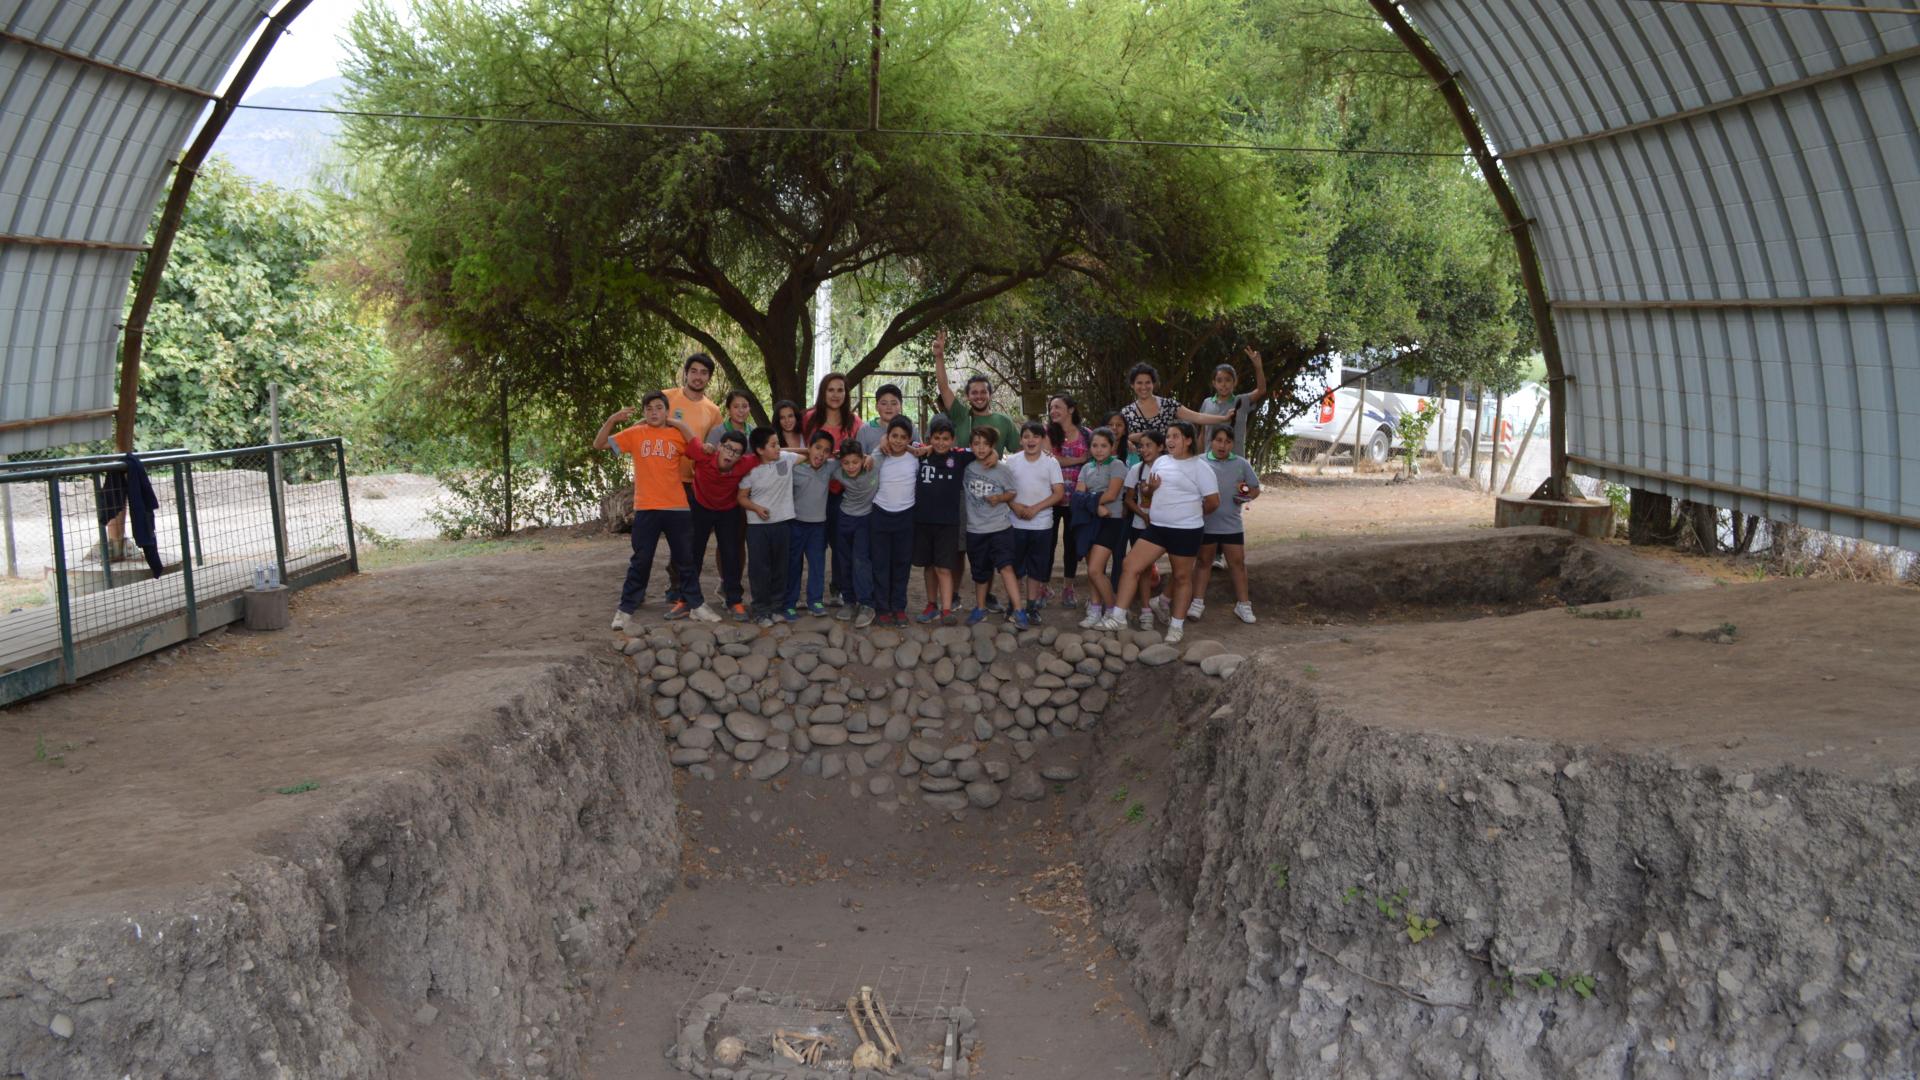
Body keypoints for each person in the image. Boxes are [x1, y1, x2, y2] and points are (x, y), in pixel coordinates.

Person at [1099, 422, 1218, 643]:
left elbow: (1213, 502)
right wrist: (1150, 489)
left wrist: (1191, 513)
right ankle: (1118, 616)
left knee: (1182, 577)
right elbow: (1146, 493)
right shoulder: (1161, 462)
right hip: (1157, 527)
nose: (1170, 441)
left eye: (1176, 436)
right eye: (1168, 436)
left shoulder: (1201, 467)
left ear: (1188, 440)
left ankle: (1176, 626)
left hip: (1186, 530)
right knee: (1130, 565)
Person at [595, 391, 699, 629]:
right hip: (646, 507)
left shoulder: (676, 434)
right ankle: (625, 608)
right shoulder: (635, 434)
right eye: (649, 408)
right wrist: (612, 419)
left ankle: (696, 604)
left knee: (685, 560)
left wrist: (679, 423)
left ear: (666, 411)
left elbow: (698, 451)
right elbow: (599, 444)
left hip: (677, 508)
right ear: (643, 413)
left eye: (659, 408)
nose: (654, 412)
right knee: (641, 560)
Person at [670, 419, 760, 622]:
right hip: (700, 507)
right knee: (693, 554)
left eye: (736, 451)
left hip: (727, 511)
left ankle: (734, 600)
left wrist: (811, 451)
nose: (731, 453)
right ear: (719, 446)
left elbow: (771, 452)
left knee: (731, 554)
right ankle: (685, 600)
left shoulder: (745, 463)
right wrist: (666, 419)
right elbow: (686, 430)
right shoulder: (703, 454)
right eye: (727, 448)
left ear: (741, 456)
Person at [663, 353, 723, 605]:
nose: (698, 377)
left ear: (709, 377)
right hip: (664, 478)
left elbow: (713, 447)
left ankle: (679, 587)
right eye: (694, 371)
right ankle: (645, 588)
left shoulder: (713, 410)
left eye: (704, 373)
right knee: (658, 535)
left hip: (694, 481)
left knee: (689, 536)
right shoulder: (666, 397)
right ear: (685, 373)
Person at [1190, 426, 1260, 624]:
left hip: (1232, 524)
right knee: (1204, 562)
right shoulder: (1200, 461)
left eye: (1227, 441)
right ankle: (1197, 603)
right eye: (1218, 440)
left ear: (1232, 444)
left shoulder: (1241, 463)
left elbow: (1254, 488)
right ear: (1211, 442)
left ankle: (1244, 605)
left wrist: (1245, 497)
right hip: (1205, 523)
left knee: (1237, 563)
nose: (1222, 445)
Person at [804, 373, 863, 610]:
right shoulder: (809, 418)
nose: (836, 395)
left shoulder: (854, 422)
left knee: (841, 543)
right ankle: (810, 593)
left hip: (843, 491)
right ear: (823, 392)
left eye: (840, 390)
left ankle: (840, 588)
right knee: (815, 543)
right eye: (831, 390)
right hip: (815, 490)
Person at [960, 428, 1028, 628]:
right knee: (980, 572)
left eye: (985, 444)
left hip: (1000, 528)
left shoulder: (1002, 469)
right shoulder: (967, 467)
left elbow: (1012, 492)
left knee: (1007, 567)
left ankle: (1018, 610)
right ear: (971, 445)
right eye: (976, 443)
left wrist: (999, 498)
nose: (981, 448)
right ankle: (980, 608)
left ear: (992, 446)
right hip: (975, 530)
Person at [737, 427, 800, 627]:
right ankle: (761, 610)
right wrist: (756, 508)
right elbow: (741, 497)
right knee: (759, 569)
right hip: (757, 527)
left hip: (783, 523)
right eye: (773, 445)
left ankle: (776, 608)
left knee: (780, 567)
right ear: (759, 449)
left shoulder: (786, 459)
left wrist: (820, 450)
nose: (778, 448)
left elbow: (807, 454)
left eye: (778, 443)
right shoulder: (751, 470)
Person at [909, 416, 968, 625]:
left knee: (944, 567)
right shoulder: (920, 455)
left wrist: (995, 454)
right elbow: (899, 445)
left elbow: (985, 451)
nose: (941, 442)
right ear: (930, 438)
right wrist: (923, 448)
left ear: (953, 440)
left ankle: (946, 609)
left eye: (945, 438)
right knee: (929, 566)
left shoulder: (959, 457)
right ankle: (931, 605)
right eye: (936, 438)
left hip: (948, 524)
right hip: (923, 522)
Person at [1005, 421, 1065, 624]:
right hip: (1015, 523)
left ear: (1042, 440)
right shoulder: (1012, 461)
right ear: (1020, 440)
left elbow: (1059, 493)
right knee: (1015, 568)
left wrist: (1035, 509)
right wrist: (1015, 506)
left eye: (1036, 436)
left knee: (1036, 568)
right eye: (1026, 436)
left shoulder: (1051, 462)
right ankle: (1014, 604)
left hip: (1042, 524)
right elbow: (1003, 489)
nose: (1031, 440)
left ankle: (1031, 606)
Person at [1075, 427, 1129, 629]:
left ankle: (1114, 610)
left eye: (1103, 445)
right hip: (1090, 520)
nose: (1099, 450)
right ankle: (1095, 610)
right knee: (1091, 571)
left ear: (1112, 446)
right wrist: (1096, 506)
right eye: (1095, 445)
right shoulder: (1086, 468)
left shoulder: (1117, 466)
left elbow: (1112, 494)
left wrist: (1093, 502)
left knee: (1095, 569)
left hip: (1111, 520)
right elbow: (1078, 497)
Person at [868, 416, 919, 625]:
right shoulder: (880, 455)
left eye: (903, 437)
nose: (898, 441)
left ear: (909, 439)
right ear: (887, 436)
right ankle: (882, 608)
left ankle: (899, 607)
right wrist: (880, 446)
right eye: (894, 436)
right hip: (880, 514)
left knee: (902, 563)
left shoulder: (916, 457)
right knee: (880, 563)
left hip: (906, 516)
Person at [931, 329, 1018, 450]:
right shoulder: (961, 415)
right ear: (967, 396)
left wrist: (1044, 454)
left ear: (990, 395)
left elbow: (1021, 452)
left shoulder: (1004, 421)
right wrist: (939, 356)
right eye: (974, 393)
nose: (979, 396)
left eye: (983, 392)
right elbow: (944, 388)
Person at [826, 439, 881, 628]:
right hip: (844, 518)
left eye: (855, 462)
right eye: (846, 463)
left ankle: (866, 603)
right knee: (844, 560)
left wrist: (870, 456)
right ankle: (849, 600)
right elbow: (813, 455)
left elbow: (883, 444)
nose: (850, 467)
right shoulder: (835, 468)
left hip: (865, 520)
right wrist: (833, 454)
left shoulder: (874, 464)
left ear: (862, 459)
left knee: (861, 560)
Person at [1044, 395, 1092, 610]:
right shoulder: (1047, 434)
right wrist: (1080, 460)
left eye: (1058, 407)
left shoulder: (1086, 434)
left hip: (1077, 500)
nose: (1053, 411)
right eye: (1051, 407)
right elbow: (1052, 460)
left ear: (1071, 409)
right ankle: (1044, 587)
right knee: (1047, 543)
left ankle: (1068, 587)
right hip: (1051, 498)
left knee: (1071, 546)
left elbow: (1098, 455)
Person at [1119, 362, 1231, 452]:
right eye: (1139, 383)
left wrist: (1224, 418)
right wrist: (1128, 440)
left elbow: (1197, 417)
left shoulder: (1168, 405)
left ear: (1153, 384)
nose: (1144, 387)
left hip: (1169, 465)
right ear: (1132, 385)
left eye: (1148, 382)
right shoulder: (1126, 412)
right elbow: (1117, 437)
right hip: (1139, 467)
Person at [784, 430, 837, 619]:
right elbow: (780, 452)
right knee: (793, 565)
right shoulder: (796, 467)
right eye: (817, 448)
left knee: (817, 565)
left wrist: (835, 454)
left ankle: (815, 601)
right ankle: (790, 603)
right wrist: (804, 452)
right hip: (796, 525)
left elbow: (851, 457)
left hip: (818, 528)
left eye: (826, 451)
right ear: (809, 448)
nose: (821, 454)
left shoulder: (829, 467)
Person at [1197, 346, 1269, 454]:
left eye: (1228, 380)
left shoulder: (1241, 401)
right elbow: (1202, 434)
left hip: (1235, 461)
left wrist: (1258, 367)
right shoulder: (1207, 403)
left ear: (1235, 382)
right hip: (1209, 462)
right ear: (1214, 383)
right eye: (1219, 380)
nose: (1224, 384)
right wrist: (1198, 459)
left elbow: (1261, 390)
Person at [857, 383, 920, 451]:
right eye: (884, 403)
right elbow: (858, 457)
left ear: (900, 406)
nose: (889, 407)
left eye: (893, 403)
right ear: (876, 406)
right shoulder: (865, 430)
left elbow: (920, 452)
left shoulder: (910, 427)